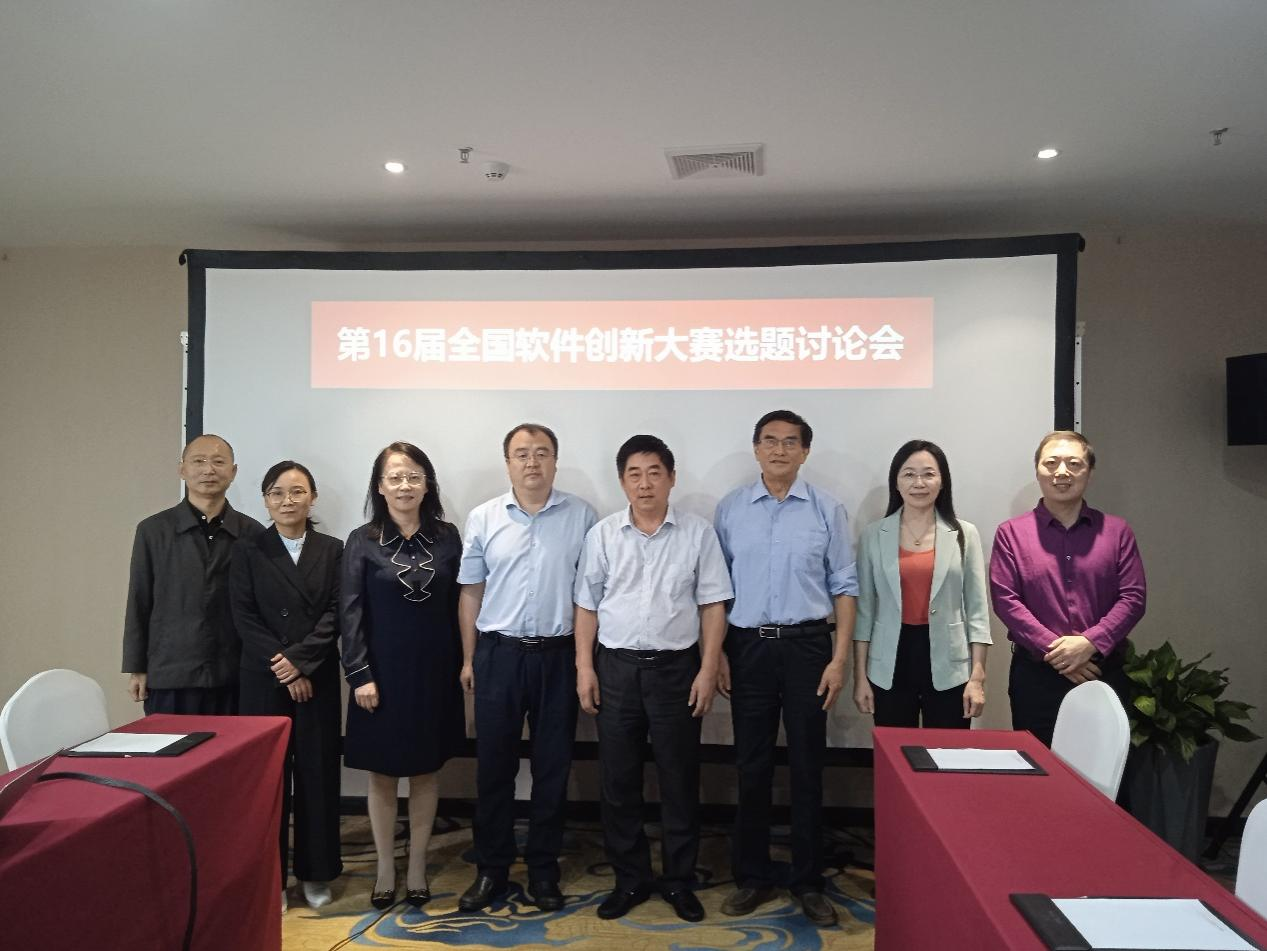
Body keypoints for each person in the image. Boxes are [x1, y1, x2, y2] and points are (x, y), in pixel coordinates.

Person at [574, 435, 733, 924]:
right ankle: (630, 878)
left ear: (671, 478)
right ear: (622, 481)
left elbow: (713, 605)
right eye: (634, 474)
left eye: (654, 473)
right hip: (616, 669)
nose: (645, 484)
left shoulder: (698, 534)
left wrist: (708, 668)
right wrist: (584, 667)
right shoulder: (603, 535)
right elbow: (586, 605)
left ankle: (679, 880)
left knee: (678, 778)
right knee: (618, 780)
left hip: (676, 670)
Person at [713, 410, 858, 927]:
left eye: (790, 442)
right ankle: (752, 875)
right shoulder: (730, 509)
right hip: (747, 648)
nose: (779, 450)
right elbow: (715, 591)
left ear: (805, 451)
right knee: (751, 766)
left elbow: (845, 587)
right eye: (770, 441)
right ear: (756, 449)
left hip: (808, 650)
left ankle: (808, 880)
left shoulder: (827, 509)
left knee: (807, 767)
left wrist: (839, 660)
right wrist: (718, 654)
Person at [456, 424, 597, 912]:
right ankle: (491, 869)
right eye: (522, 454)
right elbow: (471, 592)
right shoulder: (484, 517)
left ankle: (543, 870)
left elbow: (588, 595)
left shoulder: (582, 516)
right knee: (493, 767)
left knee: (552, 768)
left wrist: (583, 662)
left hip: (558, 657)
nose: (532, 462)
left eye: (541, 453)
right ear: (508, 463)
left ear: (555, 460)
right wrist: (469, 658)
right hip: (499, 655)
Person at [341, 441, 464, 909]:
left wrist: (465, 664)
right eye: (395, 477)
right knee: (383, 774)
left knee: (427, 771)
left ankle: (416, 867)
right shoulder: (362, 540)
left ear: (427, 484)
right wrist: (359, 674)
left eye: (413, 476)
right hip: (380, 676)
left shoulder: (448, 537)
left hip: (434, 673)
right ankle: (385, 869)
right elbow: (350, 612)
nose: (404, 485)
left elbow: (461, 605)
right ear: (380, 486)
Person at [230, 461, 343, 911]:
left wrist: (301, 663)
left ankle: (317, 873)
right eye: (277, 492)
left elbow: (336, 613)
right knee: (267, 782)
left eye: (297, 491)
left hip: (315, 678)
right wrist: (284, 665)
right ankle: (271, 878)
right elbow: (243, 615)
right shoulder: (247, 549)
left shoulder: (333, 549)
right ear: (265, 499)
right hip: (264, 679)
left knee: (318, 775)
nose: (287, 500)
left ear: (312, 498)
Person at [990, 431, 1146, 747]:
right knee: (1038, 767)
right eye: (1051, 463)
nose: (1062, 472)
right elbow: (1006, 600)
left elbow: (1133, 597)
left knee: (1105, 768)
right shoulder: (1011, 534)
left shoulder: (1117, 532)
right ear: (1037, 470)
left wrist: (1090, 643)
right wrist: (1059, 653)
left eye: (1074, 464)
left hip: (1102, 671)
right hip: (1036, 676)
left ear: (1089, 472)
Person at [852, 440, 991, 732]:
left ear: (942, 481)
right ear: (896, 482)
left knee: (947, 750)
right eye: (909, 474)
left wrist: (977, 678)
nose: (919, 483)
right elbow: (864, 612)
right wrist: (860, 676)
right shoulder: (873, 535)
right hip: (889, 661)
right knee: (895, 749)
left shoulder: (964, 534)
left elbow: (977, 611)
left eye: (928, 474)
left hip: (950, 664)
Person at [123, 434, 263, 714]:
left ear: (233, 471)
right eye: (199, 461)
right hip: (170, 673)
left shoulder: (253, 533)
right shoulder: (153, 531)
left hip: (234, 673)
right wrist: (137, 667)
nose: (209, 470)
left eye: (218, 462)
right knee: (173, 744)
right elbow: (139, 599)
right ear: (182, 469)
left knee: (234, 744)